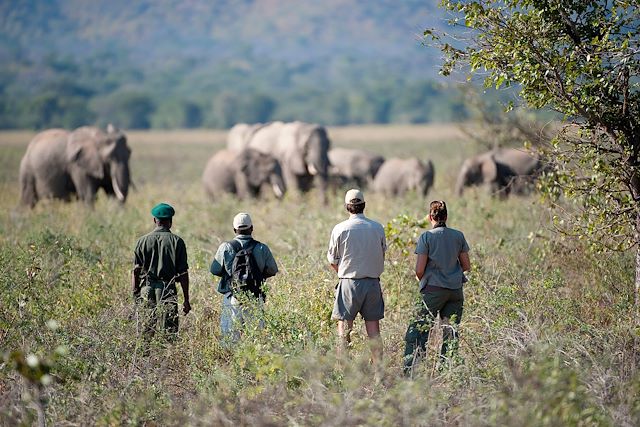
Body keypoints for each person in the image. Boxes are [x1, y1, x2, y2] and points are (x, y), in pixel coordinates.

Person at [403, 200, 471, 375]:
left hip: (432, 291)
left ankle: (411, 372)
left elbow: (419, 269)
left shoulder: (427, 237)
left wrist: (424, 280)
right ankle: (447, 372)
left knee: (417, 331)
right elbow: (466, 265)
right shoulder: (458, 236)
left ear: (430, 217)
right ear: (446, 217)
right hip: (455, 291)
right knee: (450, 333)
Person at [327, 189, 386, 364]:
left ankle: (344, 372)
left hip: (348, 283)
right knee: (374, 332)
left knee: (344, 330)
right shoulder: (377, 227)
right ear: (364, 205)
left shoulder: (339, 229)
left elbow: (332, 259)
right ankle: (378, 373)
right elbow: (382, 255)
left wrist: (343, 273)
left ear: (347, 207)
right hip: (372, 284)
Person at [210, 212, 278, 341]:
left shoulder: (225, 247)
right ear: (252, 228)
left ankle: (230, 360)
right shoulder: (262, 248)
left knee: (230, 337)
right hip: (255, 296)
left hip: (232, 297)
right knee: (257, 337)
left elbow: (214, 270)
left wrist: (230, 275)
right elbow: (273, 270)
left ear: (234, 230)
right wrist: (257, 276)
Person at [132, 202, 191, 339]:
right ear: (170, 222)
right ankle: (167, 359)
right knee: (169, 333)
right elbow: (183, 274)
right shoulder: (177, 242)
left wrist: (135, 293)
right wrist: (186, 299)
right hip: (167, 289)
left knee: (145, 332)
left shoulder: (142, 241)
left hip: (146, 289)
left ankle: (142, 358)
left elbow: (135, 271)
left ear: (154, 220)